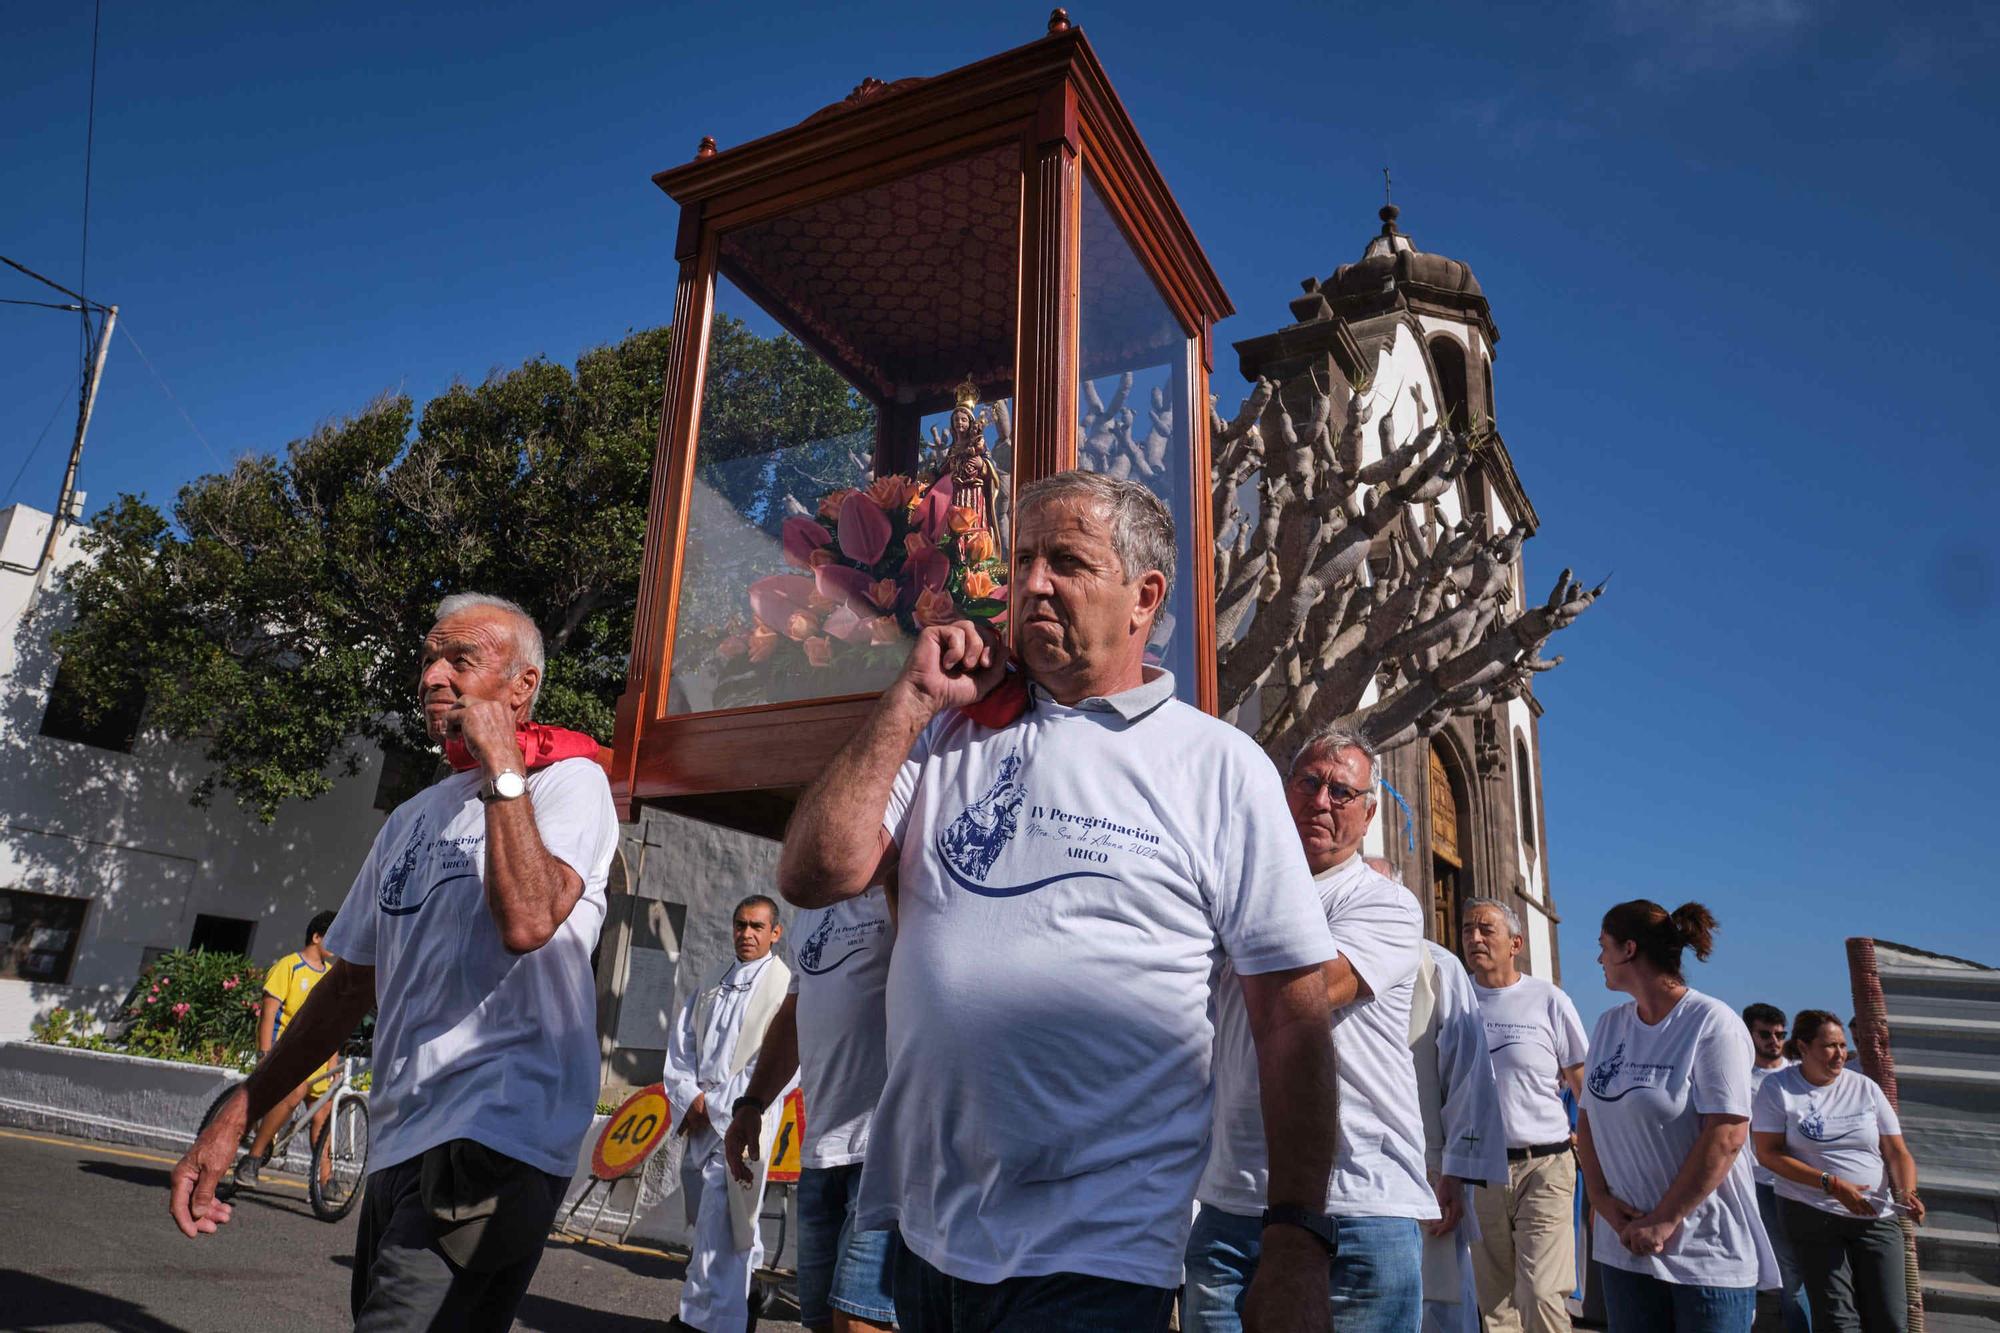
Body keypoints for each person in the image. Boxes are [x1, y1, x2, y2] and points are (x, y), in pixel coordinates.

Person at [776, 470, 1341, 1333]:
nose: (1032, 583)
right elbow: (814, 873)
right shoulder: (951, 730)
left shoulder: (1220, 768)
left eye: (1067, 561)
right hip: (922, 1234)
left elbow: (1293, 1019)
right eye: (1024, 560)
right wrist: (910, 699)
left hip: (1097, 1256)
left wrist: (1297, 1238)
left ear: (1144, 596)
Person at [168, 592, 618, 1332]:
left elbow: (530, 917)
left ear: (521, 686)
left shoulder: (570, 783)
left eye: (459, 660)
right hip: (402, 1134)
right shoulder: (414, 816)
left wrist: (503, 759)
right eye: (427, 660)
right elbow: (348, 986)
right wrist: (241, 1110)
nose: (432, 677)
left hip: (498, 1131)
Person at [1188, 729, 1437, 1333]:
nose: (1322, 800)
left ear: (1369, 812)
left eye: (1343, 792)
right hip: (1231, 1200)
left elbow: (1312, 992)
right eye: (1309, 782)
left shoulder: (1383, 904)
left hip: (1356, 1207)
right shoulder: (1227, 890)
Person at [1575, 901, 1776, 1333]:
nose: (1598, 960)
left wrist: (1664, 1219)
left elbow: (1727, 1134)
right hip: (1624, 1249)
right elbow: (1588, 1119)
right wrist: (1601, 1200)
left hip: (1703, 1255)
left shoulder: (1711, 1023)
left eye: (1603, 947)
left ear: (1629, 949)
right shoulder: (1609, 1026)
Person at [724, 884, 898, 1333]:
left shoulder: (906, 892)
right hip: (821, 1153)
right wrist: (752, 1103)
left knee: (860, 1321)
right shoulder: (814, 912)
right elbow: (793, 1016)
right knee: (820, 1321)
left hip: (885, 1151)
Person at [1370, 859, 1508, 1333]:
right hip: (1352, 1170)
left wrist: (1455, 1172)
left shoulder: (1438, 966)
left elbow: (1470, 1077)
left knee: (1437, 1302)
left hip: (1426, 1168)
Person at [662, 895, 796, 1333]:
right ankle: (750, 1294)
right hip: (702, 1117)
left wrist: (719, 1108)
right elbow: (682, 1047)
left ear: (775, 932)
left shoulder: (783, 987)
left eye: (758, 926)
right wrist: (690, 1097)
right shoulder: (713, 981)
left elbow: (779, 1065)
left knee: (724, 1225)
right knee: (717, 1224)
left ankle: (703, 1322)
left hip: (746, 1121)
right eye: (740, 925)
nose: (747, 934)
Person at [1461, 898, 1589, 1333]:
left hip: (1545, 1164)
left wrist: (1597, 1154)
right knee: (1495, 1307)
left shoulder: (1548, 999)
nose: (1474, 937)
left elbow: (1583, 1083)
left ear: (1516, 942)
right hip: (1481, 1171)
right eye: (1466, 929)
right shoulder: (1454, 1002)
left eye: (1486, 929)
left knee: (1539, 1293)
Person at [1753, 1010, 1923, 1333]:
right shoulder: (1779, 1088)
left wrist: (1907, 1192)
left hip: (1875, 1213)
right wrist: (1830, 1184)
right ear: (1803, 1048)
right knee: (1837, 1320)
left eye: (1843, 1045)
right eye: (1830, 1045)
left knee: (1890, 1317)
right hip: (1812, 1212)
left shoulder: (1865, 1088)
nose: (1840, 1053)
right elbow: (1768, 1154)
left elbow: (1897, 1152)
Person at [230, 909, 340, 1190]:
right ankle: (252, 1160)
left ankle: (325, 1181)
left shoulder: (331, 976)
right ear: (316, 937)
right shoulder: (288, 966)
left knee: (323, 1115)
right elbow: (269, 1015)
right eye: (333, 937)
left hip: (316, 1057)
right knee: (295, 1091)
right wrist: (264, 1054)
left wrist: (333, 1066)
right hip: (286, 1054)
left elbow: (332, 1025)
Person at [1743, 1003, 1810, 1333]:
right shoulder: (1741, 1078)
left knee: (1802, 1268)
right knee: (1782, 1269)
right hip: (1761, 1184)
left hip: (1805, 1183)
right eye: (1766, 1034)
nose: (1774, 1040)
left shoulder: (1799, 1075)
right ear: (1749, 1035)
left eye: (1781, 1034)